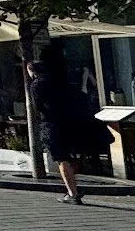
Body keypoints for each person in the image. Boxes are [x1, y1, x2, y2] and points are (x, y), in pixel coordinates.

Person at [29, 57, 104, 205]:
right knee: (68, 157)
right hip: (69, 122)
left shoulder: (36, 85)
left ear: (32, 71)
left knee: (61, 158)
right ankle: (73, 187)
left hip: (52, 123)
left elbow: (38, 107)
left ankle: (72, 193)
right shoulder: (60, 82)